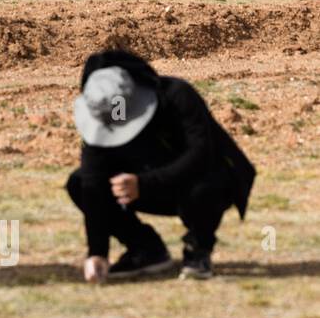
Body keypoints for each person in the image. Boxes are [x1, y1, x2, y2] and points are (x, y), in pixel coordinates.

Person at [66, 50, 255, 283]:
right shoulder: (103, 114)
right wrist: (97, 252)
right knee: (78, 182)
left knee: (209, 181)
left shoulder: (177, 96)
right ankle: (145, 250)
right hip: (146, 185)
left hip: (197, 182)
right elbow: (93, 182)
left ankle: (198, 249)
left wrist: (144, 183)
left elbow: (202, 155)